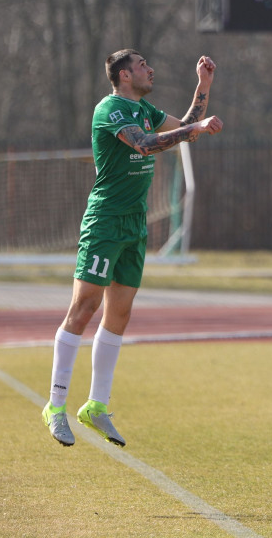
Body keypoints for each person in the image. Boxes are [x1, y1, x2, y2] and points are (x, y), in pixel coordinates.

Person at [42, 50, 223, 447]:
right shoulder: (111, 109)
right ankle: (55, 406)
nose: (150, 69)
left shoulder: (145, 109)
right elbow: (144, 145)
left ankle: (95, 407)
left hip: (134, 223)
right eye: (142, 65)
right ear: (125, 75)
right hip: (105, 220)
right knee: (85, 306)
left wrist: (203, 88)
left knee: (119, 313)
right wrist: (196, 128)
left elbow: (187, 128)